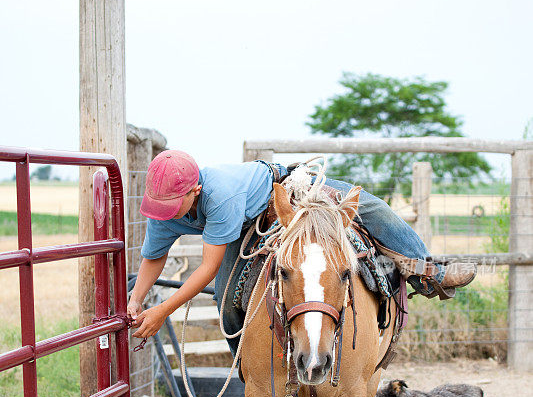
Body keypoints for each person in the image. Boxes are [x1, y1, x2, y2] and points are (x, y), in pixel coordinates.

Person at [127, 150, 476, 348]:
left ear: (196, 190)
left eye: (175, 204)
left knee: (371, 208)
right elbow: (153, 256)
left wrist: (163, 312)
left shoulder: (221, 196)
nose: (167, 213)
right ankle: (249, 373)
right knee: (228, 300)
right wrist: (137, 300)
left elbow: (207, 266)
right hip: (241, 223)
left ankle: (431, 272)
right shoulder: (161, 210)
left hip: (282, 189)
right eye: (162, 206)